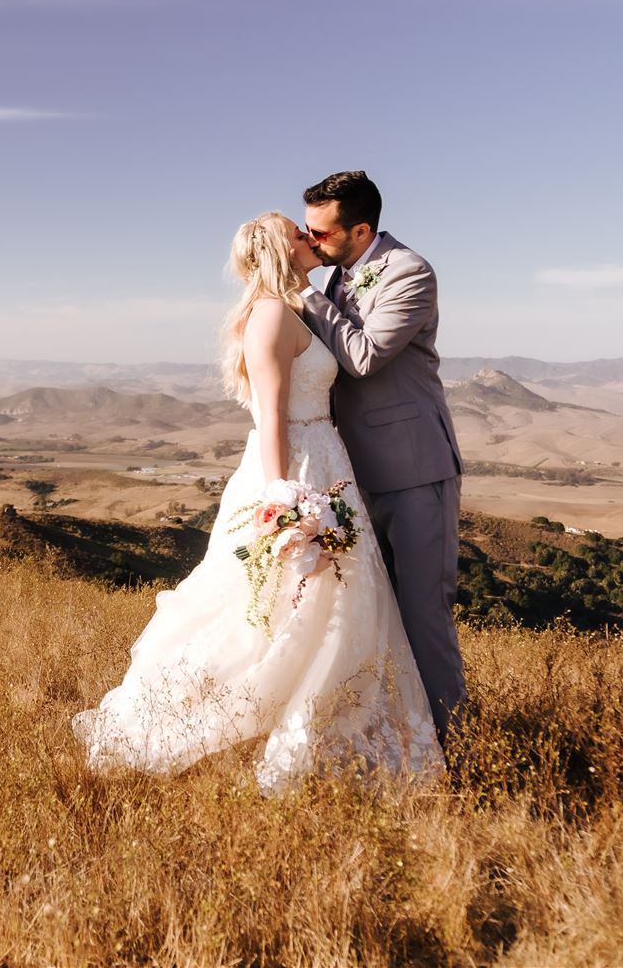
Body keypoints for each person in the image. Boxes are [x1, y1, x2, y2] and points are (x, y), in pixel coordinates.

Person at [72, 212, 441, 794]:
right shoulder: (270, 315)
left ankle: (329, 725)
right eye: (300, 234)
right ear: (279, 250)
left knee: (330, 604)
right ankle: (269, 725)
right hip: (295, 468)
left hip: (324, 460)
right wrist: (285, 499)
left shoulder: (292, 308)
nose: (310, 239)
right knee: (283, 604)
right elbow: (271, 416)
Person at [299, 171, 466, 742]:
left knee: (422, 616)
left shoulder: (410, 273)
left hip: (413, 468)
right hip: (348, 472)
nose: (311, 240)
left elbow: (365, 356)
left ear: (360, 229)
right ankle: (393, 740)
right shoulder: (337, 276)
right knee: (369, 620)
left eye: (320, 232)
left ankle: (455, 748)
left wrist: (305, 297)